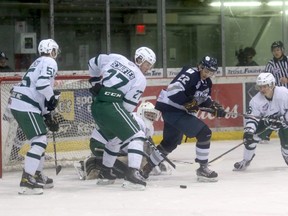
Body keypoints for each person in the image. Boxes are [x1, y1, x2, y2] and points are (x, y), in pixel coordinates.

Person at [141, 56, 226, 182]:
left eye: (211, 72)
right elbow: (173, 90)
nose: (207, 74)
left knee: (169, 143)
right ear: (200, 67)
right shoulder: (190, 74)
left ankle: (146, 169)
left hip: (175, 112)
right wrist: (187, 102)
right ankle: (203, 168)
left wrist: (214, 107)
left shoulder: (207, 82)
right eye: (206, 70)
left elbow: (203, 100)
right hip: (173, 110)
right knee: (205, 133)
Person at [88, 47, 156, 190]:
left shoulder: (117, 58)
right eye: (147, 64)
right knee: (137, 135)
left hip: (96, 105)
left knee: (115, 139)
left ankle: (105, 173)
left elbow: (92, 62)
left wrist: (95, 83)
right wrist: (120, 117)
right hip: (111, 106)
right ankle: (132, 175)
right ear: (139, 59)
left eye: (151, 65)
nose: (148, 68)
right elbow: (127, 106)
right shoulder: (140, 79)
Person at [8, 39, 61, 195]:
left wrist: (47, 115)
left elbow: (38, 90)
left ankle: (37, 174)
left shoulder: (37, 62)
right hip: (26, 104)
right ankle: (27, 179)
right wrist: (52, 99)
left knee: (37, 141)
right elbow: (42, 85)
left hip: (21, 102)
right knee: (39, 140)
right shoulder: (50, 62)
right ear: (52, 50)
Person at [74, 102, 171, 180]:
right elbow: (130, 146)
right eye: (148, 114)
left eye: (152, 116)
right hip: (100, 144)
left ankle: (96, 161)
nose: (150, 118)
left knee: (131, 164)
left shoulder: (145, 126)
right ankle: (88, 165)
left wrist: (155, 162)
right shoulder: (137, 121)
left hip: (110, 144)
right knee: (127, 172)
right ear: (141, 112)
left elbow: (149, 146)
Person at [233, 73, 288, 171]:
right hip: (268, 123)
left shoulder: (284, 93)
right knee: (251, 139)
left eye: (265, 86)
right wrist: (249, 132)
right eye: (260, 87)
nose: (262, 89)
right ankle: (246, 160)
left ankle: (286, 154)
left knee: (286, 143)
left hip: (285, 123)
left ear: (272, 85)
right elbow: (252, 118)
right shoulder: (256, 101)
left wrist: (284, 119)